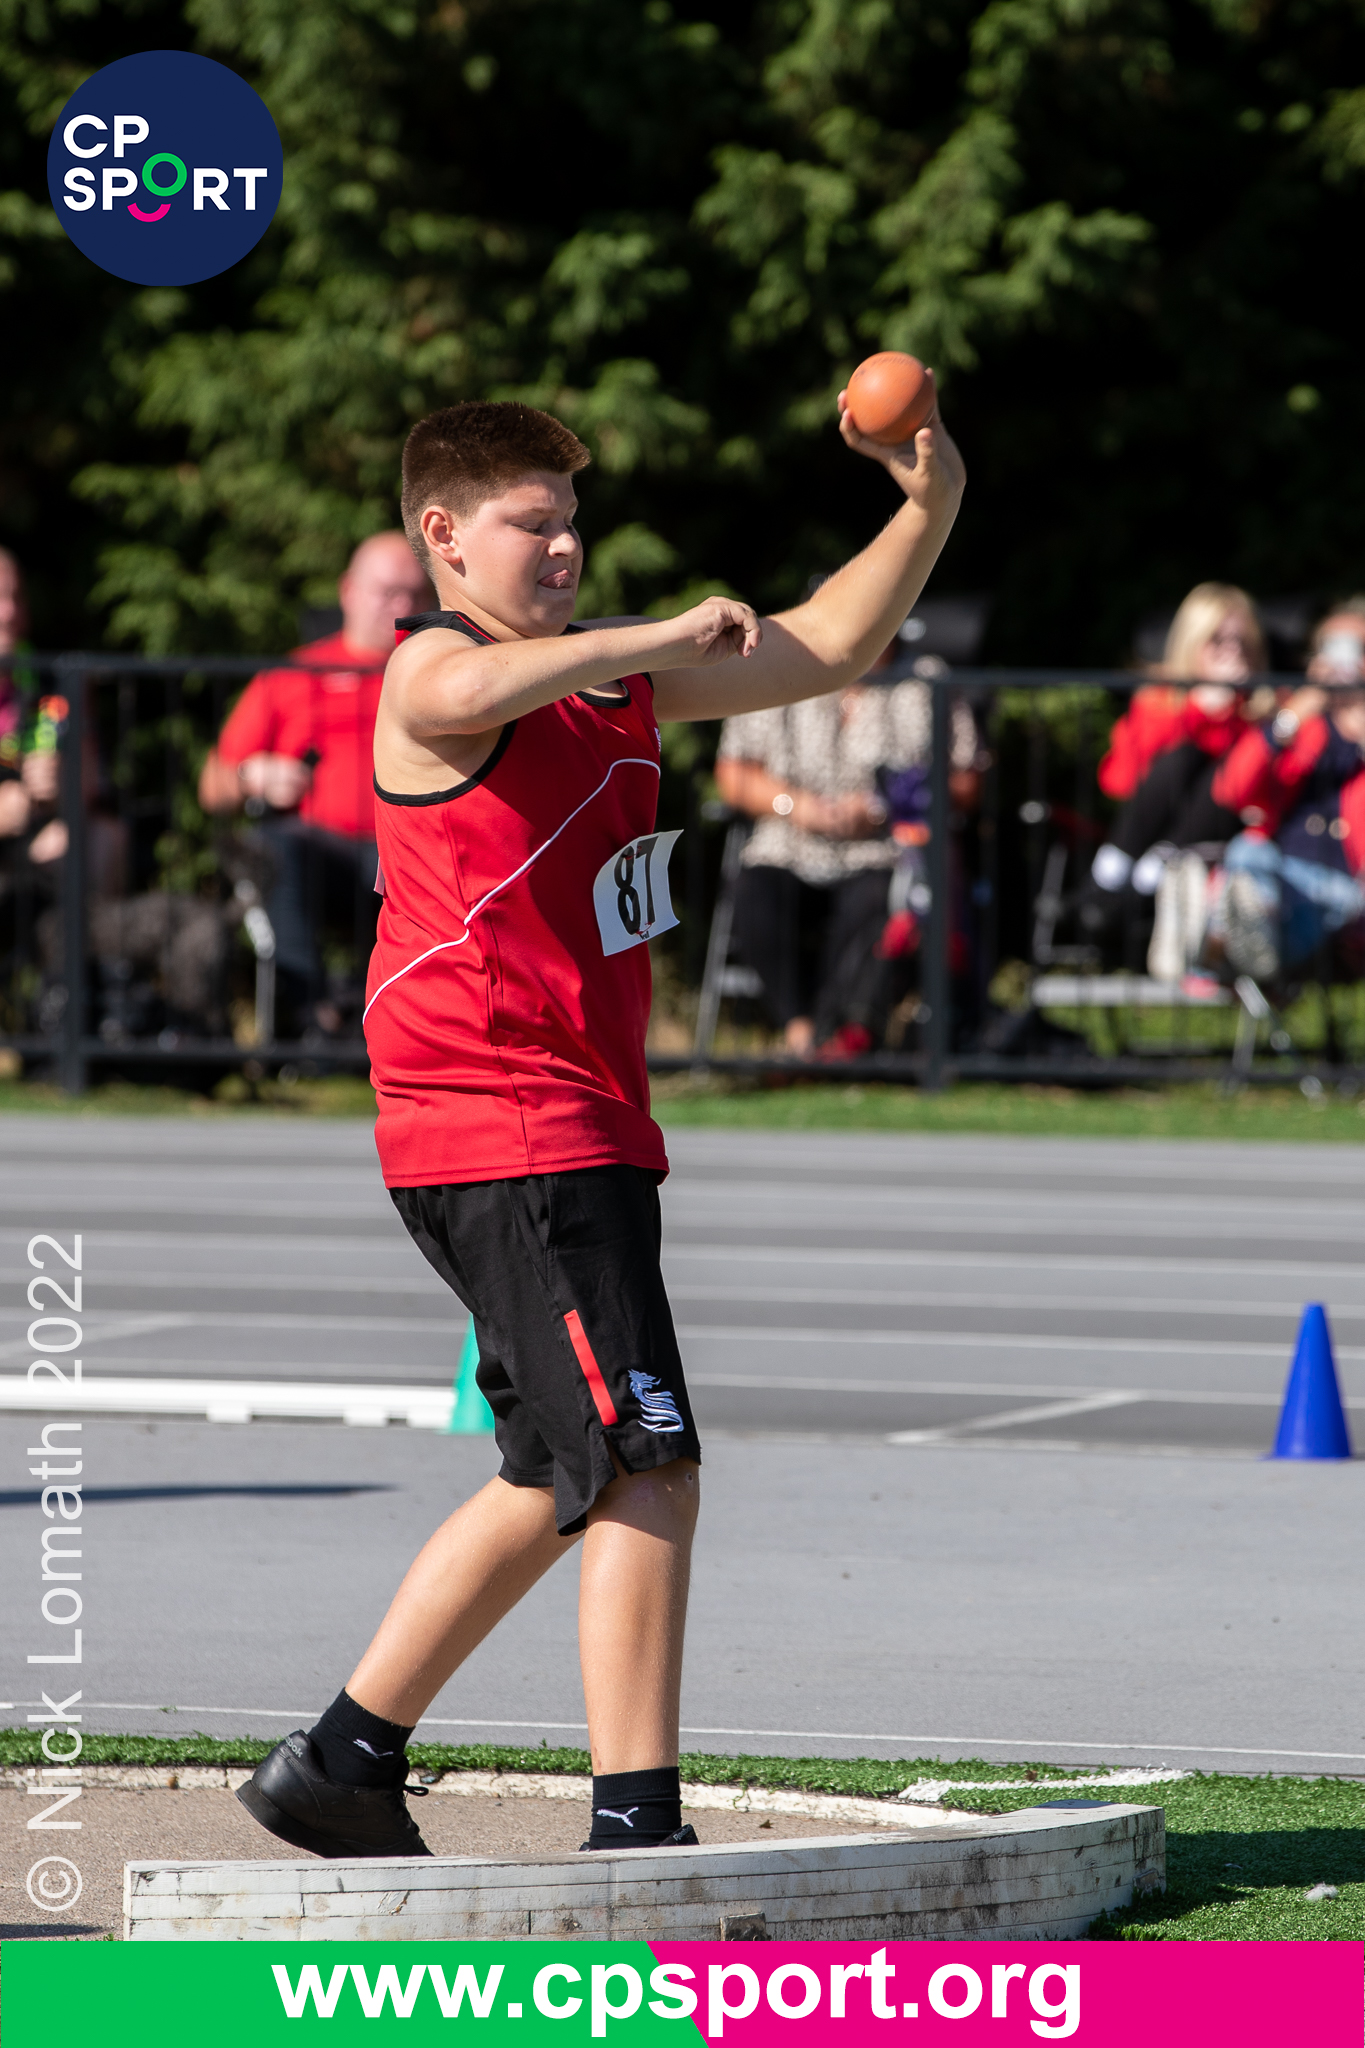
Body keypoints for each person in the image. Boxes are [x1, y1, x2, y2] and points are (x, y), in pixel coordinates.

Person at [237, 392, 965, 1860]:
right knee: (646, 1461)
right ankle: (637, 1825)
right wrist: (656, 634)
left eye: (574, 521)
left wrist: (927, 500)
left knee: (553, 1471)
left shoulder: (602, 685)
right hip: (505, 1123)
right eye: (534, 523)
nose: (566, 546)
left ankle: (341, 1761)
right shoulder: (433, 666)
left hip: (575, 1127)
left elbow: (830, 644)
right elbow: (460, 691)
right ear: (443, 536)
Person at [199, 533, 431, 1034]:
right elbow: (212, 784)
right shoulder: (291, 675)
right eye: (388, 592)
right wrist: (251, 776)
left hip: (414, 850)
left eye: (415, 593)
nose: (402, 606)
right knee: (276, 848)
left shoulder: (437, 672)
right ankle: (312, 1021)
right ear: (349, 591)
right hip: (322, 854)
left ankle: (422, 1028)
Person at [714, 641, 979, 1055]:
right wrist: (796, 806)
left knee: (876, 900)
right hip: (787, 840)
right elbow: (734, 773)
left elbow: (966, 778)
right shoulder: (777, 668)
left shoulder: (924, 679)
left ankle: (836, 1036)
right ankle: (800, 1031)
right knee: (754, 891)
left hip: (882, 847)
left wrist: (882, 806)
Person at [1206, 602, 1365, 981]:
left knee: (1282, 905)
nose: (1343, 665)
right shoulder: (1299, 725)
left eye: (1355, 650)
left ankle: (1209, 943)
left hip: (1346, 886)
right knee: (1248, 852)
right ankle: (1241, 945)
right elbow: (1231, 788)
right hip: (1280, 875)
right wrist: (1292, 717)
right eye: (1332, 650)